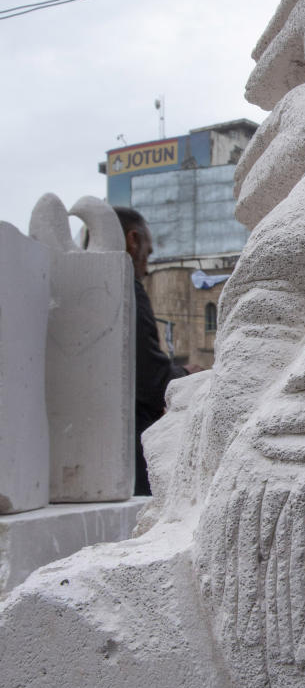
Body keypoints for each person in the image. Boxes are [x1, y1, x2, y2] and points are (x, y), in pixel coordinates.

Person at [113, 205, 191, 494]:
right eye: (147, 252)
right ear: (132, 241)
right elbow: (150, 378)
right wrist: (185, 376)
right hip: (127, 455)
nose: (146, 267)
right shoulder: (126, 289)